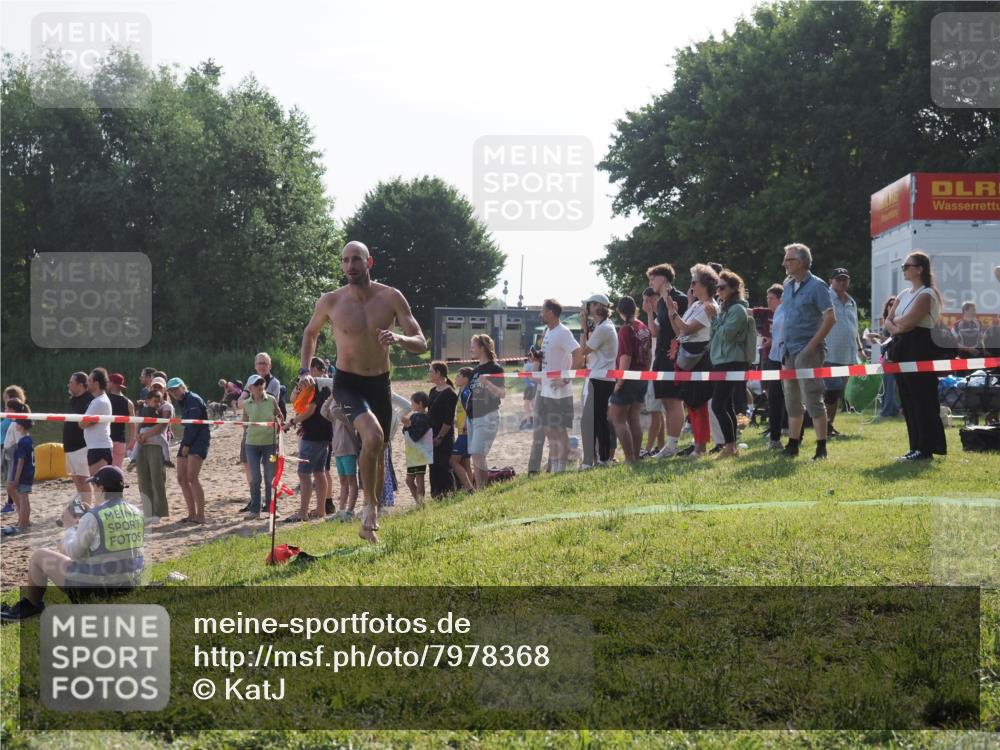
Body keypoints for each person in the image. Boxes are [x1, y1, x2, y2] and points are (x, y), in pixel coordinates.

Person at [299, 240, 427, 543]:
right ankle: (368, 509)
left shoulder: (391, 297)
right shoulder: (331, 300)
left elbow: (420, 342)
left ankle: (372, 516)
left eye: (355, 259)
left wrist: (398, 338)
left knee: (379, 448)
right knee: (372, 436)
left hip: (379, 383)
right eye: (344, 260)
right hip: (347, 384)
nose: (349, 266)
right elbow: (310, 333)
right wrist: (305, 371)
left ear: (369, 262)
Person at [1, 466, 143, 623]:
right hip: (128, 584)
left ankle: (32, 606)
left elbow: (73, 553)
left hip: (99, 590)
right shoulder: (136, 512)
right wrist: (89, 517)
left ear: (101, 488)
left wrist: (69, 527)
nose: (93, 491)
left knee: (39, 555)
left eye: (94, 487)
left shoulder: (94, 517)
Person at [883, 251, 947, 461]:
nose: (904, 269)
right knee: (908, 400)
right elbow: (888, 321)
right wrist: (897, 325)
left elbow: (909, 323)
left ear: (919, 269)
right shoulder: (903, 294)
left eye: (907, 266)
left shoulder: (928, 294)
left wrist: (897, 324)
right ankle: (915, 447)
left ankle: (926, 447)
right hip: (902, 348)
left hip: (920, 347)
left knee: (923, 399)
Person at [779, 243, 836, 461]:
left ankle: (821, 448)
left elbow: (831, 318)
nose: (784, 263)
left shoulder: (818, 286)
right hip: (789, 350)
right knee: (791, 398)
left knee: (812, 397)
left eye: (789, 259)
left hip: (808, 350)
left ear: (801, 262)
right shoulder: (787, 284)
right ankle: (793, 444)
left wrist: (811, 347)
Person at [666, 265, 719, 458]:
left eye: (694, 282)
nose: (691, 286)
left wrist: (673, 312)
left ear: (705, 284)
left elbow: (687, 329)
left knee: (698, 403)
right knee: (691, 403)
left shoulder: (709, 307)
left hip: (699, 358)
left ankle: (700, 447)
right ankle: (697, 444)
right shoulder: (696, 304)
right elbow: (678, 329)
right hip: (687, 356)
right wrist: (673, 312)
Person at [706, 270, 753, 459]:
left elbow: (727, 334)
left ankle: (730, 445)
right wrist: (715, 320)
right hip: (721, 361)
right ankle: (731, 447)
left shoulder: (738, 310)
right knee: (725, 405)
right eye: (717, 287)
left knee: (718, 405)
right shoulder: (725, 308)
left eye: (722, 287)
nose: (718, 291)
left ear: (734, 289)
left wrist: (714, 319)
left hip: (731, 362)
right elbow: (714, 335)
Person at [646, 264, 690, 458]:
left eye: (652, 279)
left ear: (663, 279)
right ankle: (669, 445)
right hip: (661, 356)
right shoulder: (661, 303)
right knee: (665, 400)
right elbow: (654, 332)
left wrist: (673, 311)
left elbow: (681, 331)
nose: (650, 283)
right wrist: (649, 312)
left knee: (674, 400)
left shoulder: (679, 298)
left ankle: (672, 445)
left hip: (674, 356)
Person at [284, 358, 332, 522]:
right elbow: (294, 399)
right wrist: (299, 386)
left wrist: (291, 422)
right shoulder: (325, 385)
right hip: (324, 434)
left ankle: (303, 513)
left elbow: (310, 411)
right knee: (319, 473)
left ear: (315, 369)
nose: (307, 375)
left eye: (309, 371)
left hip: (313, 435)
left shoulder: (320, 387)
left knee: (303, 474)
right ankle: (320, 509)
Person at [537, 299, 582, 473]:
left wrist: (566, 378)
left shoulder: (563, 332)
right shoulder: (548, 331)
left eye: (543, 310)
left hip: (560, 390)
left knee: (558, 429)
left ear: (551, 312)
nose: (540, 314)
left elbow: (578, 354)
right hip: (547, 388)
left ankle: (560, 467)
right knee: (549, 428)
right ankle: (556, 464)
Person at [608, 296, 652, 464]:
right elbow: (649, 355)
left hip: (628, 377)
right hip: (642, 377)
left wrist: (619, 382)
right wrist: (645, 373)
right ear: (636, 309)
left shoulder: (626, 329)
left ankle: (629, 458)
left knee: (616, 419)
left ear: (620, 311)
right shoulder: (644, 327)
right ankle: (635, 457)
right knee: (634, 418)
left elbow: (625, 357)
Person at [823, 269, 864, 436]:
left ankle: (828, 424)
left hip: (849, 355)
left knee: (842, 392)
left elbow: (854, 328)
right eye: (838, 279)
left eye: (845, 279)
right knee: (832, 390)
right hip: (830, 353)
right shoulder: (825, 298)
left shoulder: (851, 301)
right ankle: (825, 426)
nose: (842, 282)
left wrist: (860, 349)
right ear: (830, 280)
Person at [578, 293, 618, 468]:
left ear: (598, 306)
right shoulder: (603, 326)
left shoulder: (603, 328)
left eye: (590, 305)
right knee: (598, 419)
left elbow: (584, 351)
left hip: (600, 378)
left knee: (592, 420)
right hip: (601, 377)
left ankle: (597, 459)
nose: (587, 309)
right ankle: (601, 458)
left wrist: (582, 327)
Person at [237, 353, 283, 501]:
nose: (262, 366)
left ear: (270, 365)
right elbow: (241, 403)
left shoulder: (274, 383)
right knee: (248, 466)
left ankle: (269, 504)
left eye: (265, 363)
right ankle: (254, 500)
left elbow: (265, 403)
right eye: (259, 363)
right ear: (255, 365)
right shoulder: (251, 380)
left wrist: (247, 400)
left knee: (270, 474)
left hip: (269, 436)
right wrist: (246, 401)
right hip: (251, 434)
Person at [167, 377, 211, 523]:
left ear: (183, 387)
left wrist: (186, 445)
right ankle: (191, 514)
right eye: (171, 390)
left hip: (198, 438)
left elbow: (195, 425)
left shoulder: (192, 399)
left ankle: (201, 515)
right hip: (188, 437)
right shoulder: (183, 401)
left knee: (192, 477)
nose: (174, 392)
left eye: (176, 389)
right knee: (181, 478)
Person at [466, 334, 506, 489]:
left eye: (473, 346)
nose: (471, 349)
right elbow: (471, 395)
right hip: (473, 418)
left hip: (488, 416)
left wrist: (488, 383)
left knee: (477, 453)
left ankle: (481, 489)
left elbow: (502, 393)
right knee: (476, 455)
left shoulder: (495, 368)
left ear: (482, 348)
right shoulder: (475, 370)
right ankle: (482, 489)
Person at [130, 383, 172, 521]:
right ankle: (148, 512)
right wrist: (138, 436)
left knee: (156, 479)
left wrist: (144, 435)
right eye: (154, 386)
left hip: (155, 446)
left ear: (164, 389)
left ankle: (159, 512)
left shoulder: (166, 406)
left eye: (159, 386)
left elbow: (161, 426)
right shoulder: (144, 406)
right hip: (143, 444)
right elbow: (139, 422)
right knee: (143, 480)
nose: (156, 389)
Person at [321, 395, 360, 520]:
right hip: (338, 451)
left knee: (351, 480)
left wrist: (337, 394)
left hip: (349, 450)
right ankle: (342, 510)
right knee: (343, 481)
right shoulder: (336, 414)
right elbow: (323, 410)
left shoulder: (348, 413)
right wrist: (331, 396)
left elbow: (335, 411)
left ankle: (350, 511)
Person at [759, 284, 788, 448]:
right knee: (774, 397)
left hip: (789, 358)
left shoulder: (792, 309)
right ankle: (775, 438)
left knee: (791, 397)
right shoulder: (777, 312)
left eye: (771, 298)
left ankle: (792, 436)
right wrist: (771, 342)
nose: (768, 301)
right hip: (774, 357)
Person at [864, 296, 901, 419]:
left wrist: (878, 337)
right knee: (885, 385)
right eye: (890, 304)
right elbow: (885, 342)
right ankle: (893, 409)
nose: (892, 306)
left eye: (894, 304)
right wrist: (874, 339)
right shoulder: (887, 321)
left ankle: (886, 411)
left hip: (895, 358)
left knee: (890, 385)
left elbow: (895, 339)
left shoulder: (900, 320)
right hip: (886, 356)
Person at [61, 372, 94, 506]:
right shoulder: (73, 399)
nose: (69, 385)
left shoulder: (89, 400)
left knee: (83, 479)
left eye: (71, 383)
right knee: (75, 479)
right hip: (69, 446)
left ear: (81, 385)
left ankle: (87, 507)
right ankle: (82, 505)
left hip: (81, 446)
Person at [427, 361, 458, 497]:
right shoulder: (432, 391)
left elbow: (448, 419)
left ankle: (448, 494)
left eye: (430, 371)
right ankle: (436, 494)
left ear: (438, 373)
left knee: (443, 465)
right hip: (431, 433)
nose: (428, 374)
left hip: (443, 437)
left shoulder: (450, 393)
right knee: (433, 467)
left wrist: (439, 437)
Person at [640, 287, 665, 457]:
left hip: (657, 368)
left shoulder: (659, 316)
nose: (643, 304)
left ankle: (648, 448)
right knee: (657, 411)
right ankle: (661, 446)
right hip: (654, 368)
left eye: (645, 300)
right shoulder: (658, 317)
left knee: (655, 411)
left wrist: (649, 313)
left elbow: (653, 334)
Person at [2, 402, 32, 536]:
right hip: (22, 467)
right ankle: (22, 520)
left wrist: (16, 478)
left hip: (21, 468)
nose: (5, 410)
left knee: (20, 494)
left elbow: (21, 459)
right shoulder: (27, 438)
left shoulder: (22, 439)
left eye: (7, 408)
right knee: (20, 494)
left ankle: (23, 522)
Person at [401, 392, 433, 506]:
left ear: (420, 404)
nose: (411, 405)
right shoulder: (414, 416)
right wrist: (406, 425)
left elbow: (416, 436)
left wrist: (409, 425)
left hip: (420, 452)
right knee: (409, 480)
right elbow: (405, 432)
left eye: (413, 402)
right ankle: (420, 504)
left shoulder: (424, 418)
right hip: (413, 452)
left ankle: (421, 504)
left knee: (419, 478)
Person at [81, 368, 114, 474]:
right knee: (98, 485)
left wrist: (87, 422)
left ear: (96, 383)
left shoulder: (99, 402)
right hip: (97, 446)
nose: (87, 383)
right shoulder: (98, 400)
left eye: (89, 380)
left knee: (98, 485)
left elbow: (82, 424)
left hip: (99, 447)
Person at [2, 385, 28, 514]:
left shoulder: (16, 423)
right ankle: (18, 509)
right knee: (10, 485)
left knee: (12, 485)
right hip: (8, 452)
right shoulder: (13, 421)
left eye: (6, 407)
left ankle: (18, 509)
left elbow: (20, 445)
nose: (4, 408)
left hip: (13, 455)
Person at [450, 367, 475, 491]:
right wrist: (457, 421)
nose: (456, 378)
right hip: (463, 430)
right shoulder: (462, 391)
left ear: (466, 379)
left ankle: (468, 487)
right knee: (466, 463)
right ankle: (471, 488)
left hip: (465, 433)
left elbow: (471, 410)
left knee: (453, 461)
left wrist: (465, 423)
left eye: (458, 376)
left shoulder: (466, 393)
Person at [106, 373, 136, 469]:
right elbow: (133, 425)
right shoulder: (129, 403)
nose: (106, 384)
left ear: (113, 383)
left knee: (103, 471)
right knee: (116, 470)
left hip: (106, 440)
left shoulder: (104, 399)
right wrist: (131, 442)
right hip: (120, 440)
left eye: (108, 382)